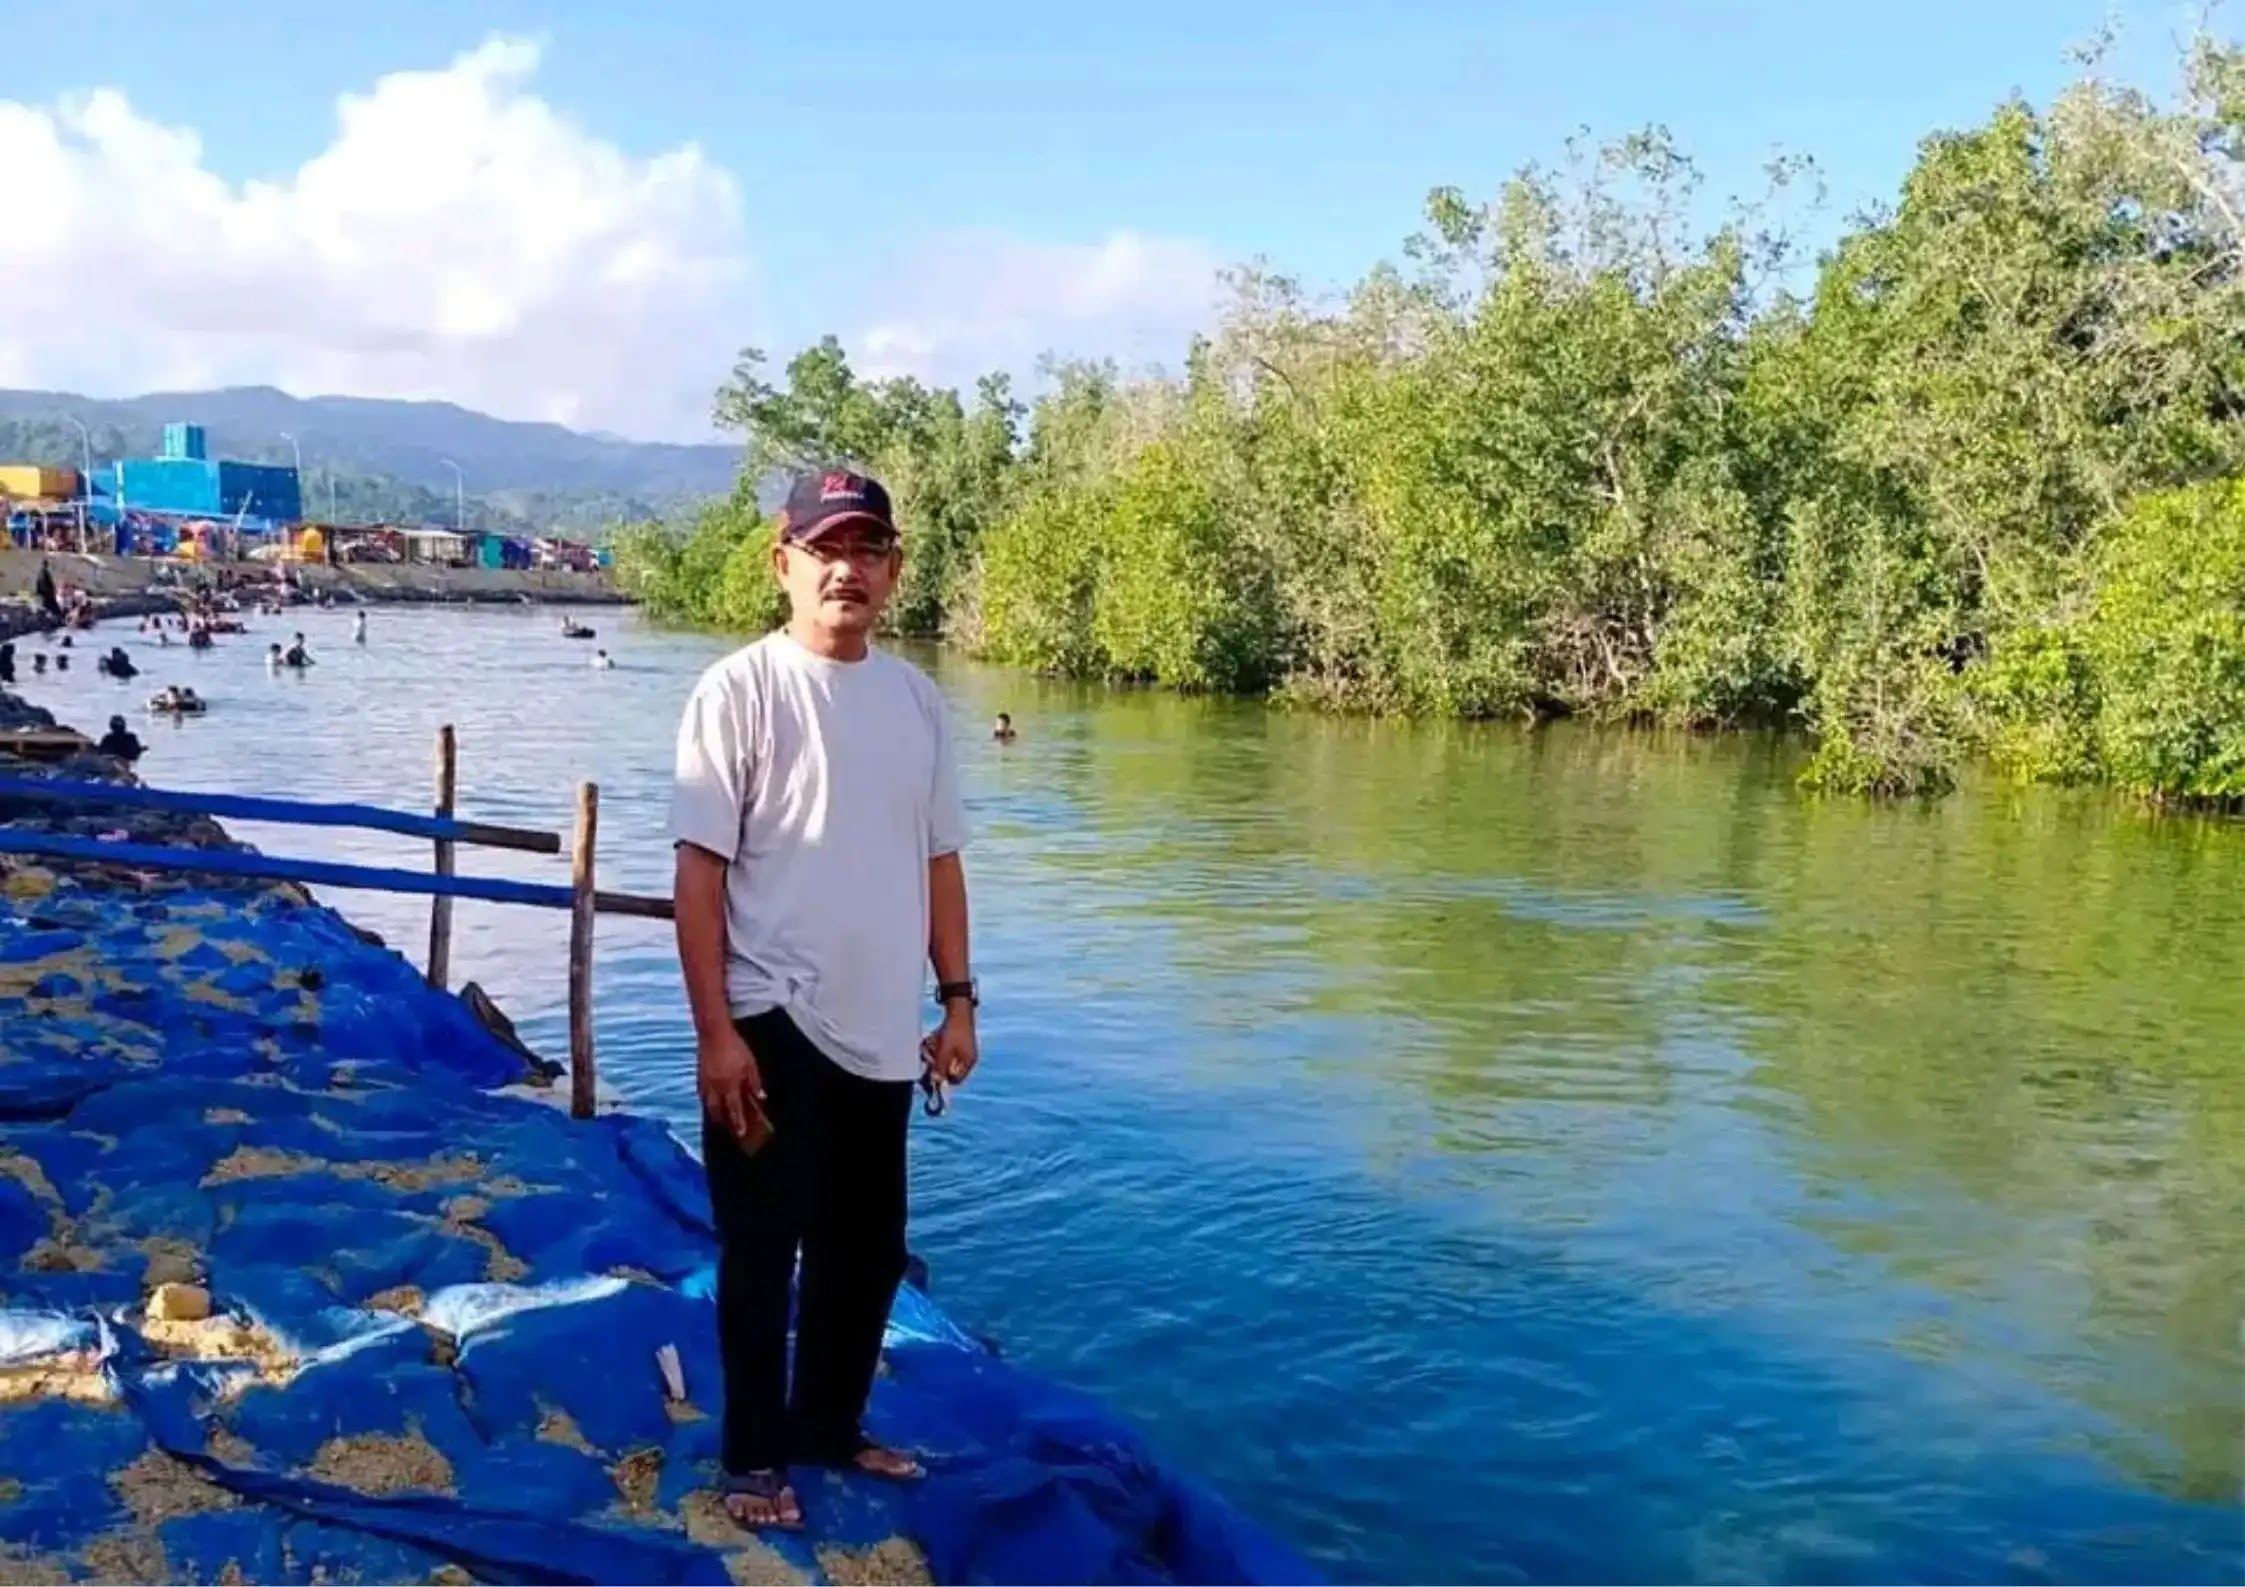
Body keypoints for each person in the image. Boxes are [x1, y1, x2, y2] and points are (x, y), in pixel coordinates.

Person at [671, 468, 978, 1532]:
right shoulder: (739, 691)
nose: (846, 569)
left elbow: (940, 863)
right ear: (784, 563)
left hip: (883, 1029)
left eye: (867, 550)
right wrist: (716, 1034)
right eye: (825, 549)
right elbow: (699, 874)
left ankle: (832, 1427)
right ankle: (754, 1460)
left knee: (868, 1251)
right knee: (762, 1252)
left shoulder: (916, 702)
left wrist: (958, 1002)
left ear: (893, 570)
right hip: (769, 1015)